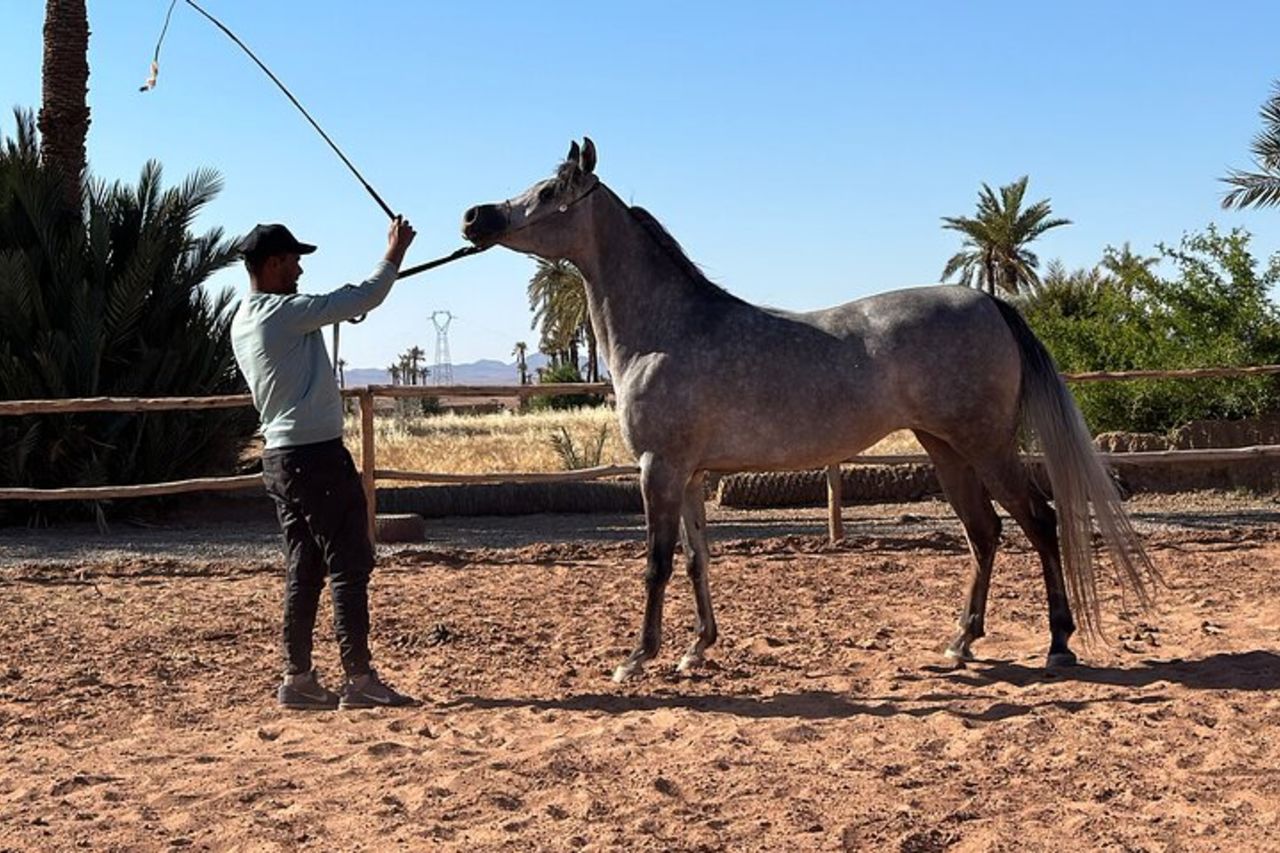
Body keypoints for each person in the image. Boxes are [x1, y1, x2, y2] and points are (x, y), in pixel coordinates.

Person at [231, 218, 417, 710]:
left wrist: (344, 306)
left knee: (304, 566)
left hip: (280, 458)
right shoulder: (283, 313)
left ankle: (299, 678)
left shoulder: (247, 319)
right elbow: (362, 297)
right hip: (316, 456)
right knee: (350, 561)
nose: (298, 270)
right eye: (293, 262)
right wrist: (394, 253)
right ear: (272, 265)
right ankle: (358, 679)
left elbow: (336, 308)